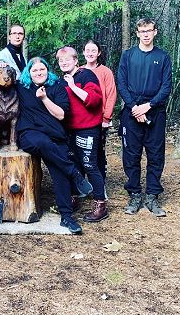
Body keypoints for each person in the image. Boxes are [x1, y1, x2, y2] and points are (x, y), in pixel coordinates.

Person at [16, 57, 93, 234]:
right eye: (34, 70)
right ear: (29, 73)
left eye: (42, 69)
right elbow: (0, 80)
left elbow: (60, 115)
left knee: (60, 172)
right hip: (30, 134)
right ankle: (75, 173)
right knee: (42, 143)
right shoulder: (22, 87)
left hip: (55, 137)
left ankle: (66, 217)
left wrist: (44, 98)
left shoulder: (57, 87)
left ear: (48, 70)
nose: (39, 73)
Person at [117, 18, 172, 217]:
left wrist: (148, 106)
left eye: (149, 30)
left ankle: (152, 196)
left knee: (155, 155)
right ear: (137, 33)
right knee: (131, 156)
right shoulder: (128, 55)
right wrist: (134, 108)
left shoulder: (163, 57)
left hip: (155, 112)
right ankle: (134, 195)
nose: (146, 34)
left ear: (155, 32)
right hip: (131, 113)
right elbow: (121, 83)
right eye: (142, 31)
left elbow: (166, 86)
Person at [56, 46, 107, 223]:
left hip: (88, 128)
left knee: (89, 165)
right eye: (60, 60)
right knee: (73, 165)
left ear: (76, 60)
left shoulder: (86, 75)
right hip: (69, 130)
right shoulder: (61, 81)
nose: (63, 63)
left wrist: (72, 86)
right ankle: (74, 198)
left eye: (67, 59)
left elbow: (94, 100)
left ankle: (100, 204)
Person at [80, 40, 117, 182]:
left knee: (98, 151)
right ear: (83, 52)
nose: (90, 53)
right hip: (81, 121)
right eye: (88, 50)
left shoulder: (105, 72)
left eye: (93, 51)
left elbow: (111, 94)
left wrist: (106, 118)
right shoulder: (79, 70)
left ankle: (99, 184)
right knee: (81, 152)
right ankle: (82, 184)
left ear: (99, 53)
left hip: (99, 120)